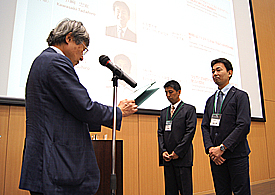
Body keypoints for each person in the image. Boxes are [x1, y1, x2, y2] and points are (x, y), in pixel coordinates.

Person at [19, 19, 138, 195]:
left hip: (47, 162)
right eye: (82, 49)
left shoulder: (45, 61)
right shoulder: (55, 63)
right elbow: (84, 107)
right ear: (69, 38)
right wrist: (117, 112)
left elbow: (67, 112)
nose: (82, 57)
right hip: (55, 165)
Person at [201, 58, 251, 195]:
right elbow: (205, 126)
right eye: (212, 71)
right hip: (216, 158)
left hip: (236, 156)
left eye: (218, 70)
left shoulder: (240, 96)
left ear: (229, 73)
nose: (215, 74)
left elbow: (243, 125)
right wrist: (211, 149)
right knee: (221, 192)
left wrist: (223, 148)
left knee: (241, 192)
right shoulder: (211, 100)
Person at [158, 80, 197, 195]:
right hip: (168, 159)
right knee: (170, 191)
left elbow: (190, 132)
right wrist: (163, 151)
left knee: (185, 190)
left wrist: (178, 152)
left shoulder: (189, 109)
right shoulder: (164, 112)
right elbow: (160, 133)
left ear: (179, 92)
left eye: (171, 92)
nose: (168, 95)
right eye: (166, 92)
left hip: (182, 158)